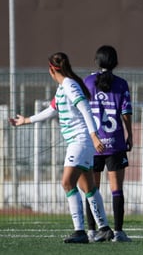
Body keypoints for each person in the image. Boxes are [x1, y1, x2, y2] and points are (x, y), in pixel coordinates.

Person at [9, 52, 114, 243]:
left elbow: (85, 108)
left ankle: (80, 231)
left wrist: (93, 135)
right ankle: (105, 228)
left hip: (81, 140)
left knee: (67, 182)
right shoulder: (62, 87)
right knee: (88, 186)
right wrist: (26, 120)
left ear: (51, 70)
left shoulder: (69, 85)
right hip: (80, 142)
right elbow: (51, 110)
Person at [82, 45, 133, 242]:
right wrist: (130, 135)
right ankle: (118, 232)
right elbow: (126, 113)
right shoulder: (121, 84)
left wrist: (91, 137)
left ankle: (92, 231)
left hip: (92, 144)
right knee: (117, 189)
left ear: (97, 61)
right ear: (115, 62)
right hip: (115, 144)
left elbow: (83, 111)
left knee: (91, 189)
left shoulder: (87, 81)